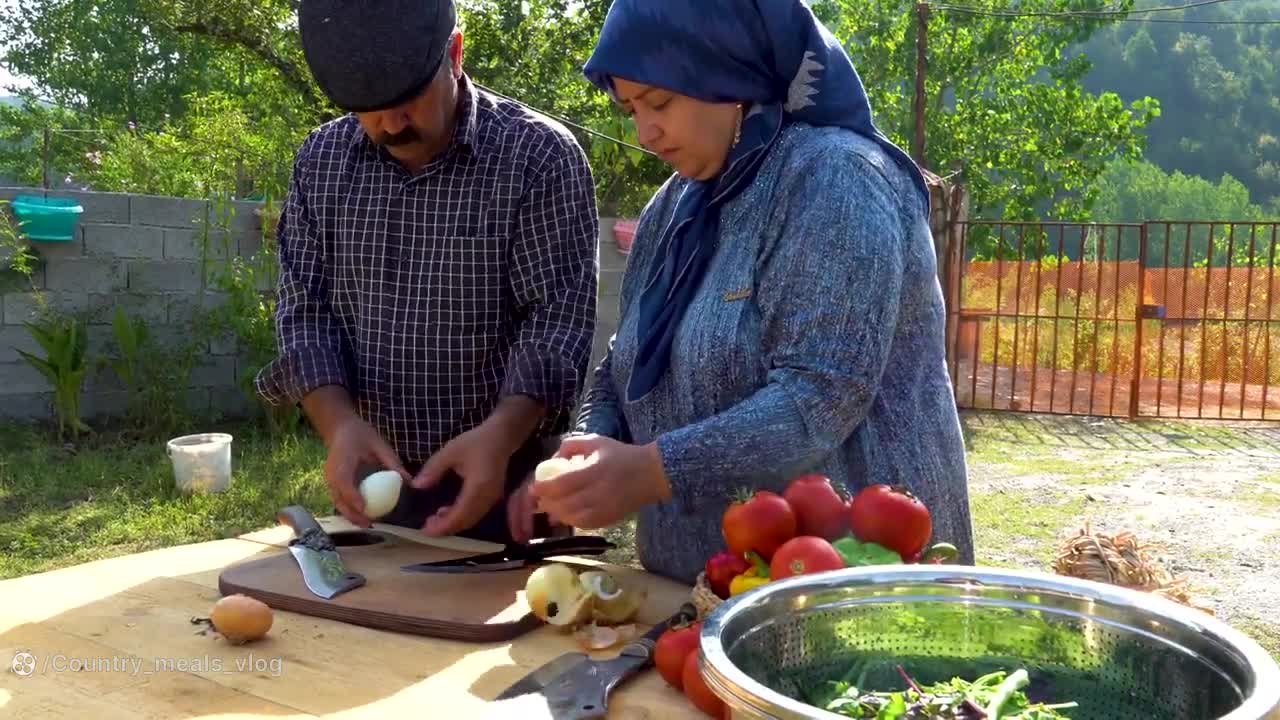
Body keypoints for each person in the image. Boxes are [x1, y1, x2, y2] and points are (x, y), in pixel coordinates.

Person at [514, 0, 975, 584]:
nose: (644, 132)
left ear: (729, 76)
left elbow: (821, 394)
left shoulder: (837, 178)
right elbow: (621, 362)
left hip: (853, 586)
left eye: (660, 102)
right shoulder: (674, 208)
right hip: (701, 587)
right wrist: (592, 441)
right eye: (629, 108)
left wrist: (653, 470)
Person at [254, 0, 599, 544]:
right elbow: (304, 309)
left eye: (409, 99)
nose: (391, 124)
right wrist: (339, 425)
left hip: (507, 484)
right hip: (374, 482)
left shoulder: (540, 157)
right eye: (369, 109)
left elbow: (555, 323)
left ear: (455, 54)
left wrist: (500, 438)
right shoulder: (320, 162)